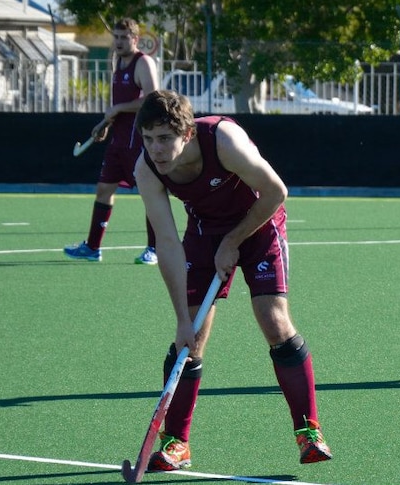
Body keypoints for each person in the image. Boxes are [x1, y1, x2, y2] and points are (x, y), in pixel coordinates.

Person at [132, 90, 332, 471]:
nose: (155, 149)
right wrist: (180, 319)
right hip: (204, 232)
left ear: (187, 134)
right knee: (190, 336)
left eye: (164, 139)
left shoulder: (223, 140)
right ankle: (176, 444)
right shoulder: (147, 169)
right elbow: (168, 243)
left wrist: (233, 240)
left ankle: (309, 431)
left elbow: (276, 191)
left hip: (259, 222)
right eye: (147, 139)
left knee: (274, 322)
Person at [64, 18, 159, 264]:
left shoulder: (143, 63)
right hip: (118, 141)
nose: (118, 41)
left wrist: (118, 108)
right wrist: (104, 124)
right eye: (116, 37)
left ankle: (154, 249)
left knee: (149, 193)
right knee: (104, 189)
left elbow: (151, 99)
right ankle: (93, 248)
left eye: (123, 37)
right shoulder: (118, 62)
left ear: (135, 39)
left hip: (139, 140)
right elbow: (118, 107)